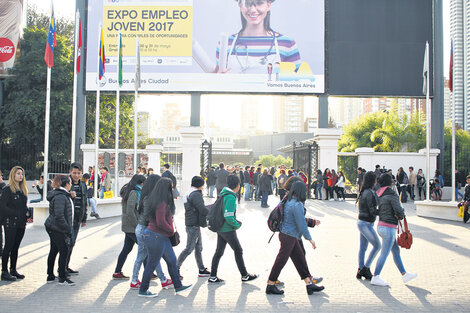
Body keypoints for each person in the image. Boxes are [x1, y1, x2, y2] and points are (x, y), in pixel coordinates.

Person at [266, 181, 324, 295]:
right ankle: (270, 284)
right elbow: (301, 224)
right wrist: (310, 239)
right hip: (289, 236)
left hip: (287, 235)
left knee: (300, 260)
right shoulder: (297, 204)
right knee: (281, 261)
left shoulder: (288, 200)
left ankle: (309, 284)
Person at [215, 0, 301, 74]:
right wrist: (217, 79)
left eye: (259, 3)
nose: (252, 10)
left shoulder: (287, 44)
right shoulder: (225, 44)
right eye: (247, 3)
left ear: (268, 4)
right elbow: (217, 84)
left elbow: (298, 86)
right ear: (240, 5)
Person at [138, 178, 192, 297]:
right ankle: (143, 290)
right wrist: (171, 230)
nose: (173, 189)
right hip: (156, 236)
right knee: (152, 264)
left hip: (160, 236)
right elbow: (161, 221)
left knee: (172, 261)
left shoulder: (158, 200)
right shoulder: (161, 203)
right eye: (171, 187)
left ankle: (178, 286)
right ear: (166, 189)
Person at [209, 175, 258, 283]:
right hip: (227, 229)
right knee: (238, 251)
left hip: (220, 228)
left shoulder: (223, 194)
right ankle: (244, 275)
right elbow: (228, 216)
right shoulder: (231, 197)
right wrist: (237, 225)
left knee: (219, 252)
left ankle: (213, 276)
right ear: (237, 185)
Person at [371, 174, 417, 287]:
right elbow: (399, 212)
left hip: (381, 226)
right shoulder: (392, 195)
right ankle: (376, 276)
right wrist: (401, 213)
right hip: (389, 228)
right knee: (384, 253)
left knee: (395, 251)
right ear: (390, 183)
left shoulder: (379, 194)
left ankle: (404, 274)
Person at [131, 174, 172, 290]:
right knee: (146, 256)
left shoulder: (145, 196)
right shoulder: (150, 198)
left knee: (151, 256)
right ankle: (135, 280)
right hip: (145, 229)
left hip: (141, 228)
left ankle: (163, 279)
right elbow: (152, 216)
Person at [113, 174, 146, 279]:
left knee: (126, 249)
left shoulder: (132, 191)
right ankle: (149, 273)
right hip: (132, 227)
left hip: (130, 226)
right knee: (144, 248)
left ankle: (117, 271)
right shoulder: (134, 193)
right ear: (141, 183)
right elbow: (130, 211)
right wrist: (137, 226)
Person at [177, 176, 210, 277]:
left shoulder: (189, 192)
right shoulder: (195, 194)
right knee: (189, 248)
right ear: (200, 185)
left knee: (198, 248)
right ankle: (175, 268)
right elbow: (202, 209)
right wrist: (211, 209)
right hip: (193, 225)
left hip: (193, 223)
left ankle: (201, 269)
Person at [44, 175, 75, 286]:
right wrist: (67, 228)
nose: (71, 184)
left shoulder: (63, 195)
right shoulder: (61, 197)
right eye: (70, 182)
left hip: (55, 227)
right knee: (64, 250)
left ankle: (50, 276)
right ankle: (62, 277)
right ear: (66, 184)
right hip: (57, 228)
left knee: (54, 250)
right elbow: (59, 215)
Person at [0, 166, 29, 281]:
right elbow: (2, 206)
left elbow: (23, 206)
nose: (20, 176)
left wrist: (27, 213)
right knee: (8, 246)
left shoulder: (23, 190)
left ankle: (13, 269)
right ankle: (4, 271)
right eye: (18, 174)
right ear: (13, 175)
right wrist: (16, 213)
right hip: (10, 223)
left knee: (16, 247)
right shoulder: (8, 190)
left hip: (21, 223)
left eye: (22, 174)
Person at [356, 172, 381, 281]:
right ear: (373, 181)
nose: (376, 182)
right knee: (377, 245)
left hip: (362, 222)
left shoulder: (363, 191)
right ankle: (366, 267)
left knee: (363, 248)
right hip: (366, 223)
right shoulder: (370, 193)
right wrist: (382, 212)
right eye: (375, 180)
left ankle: (360, 269)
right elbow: (372, 211)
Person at [66, 163, 88, 276]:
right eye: (74, 173)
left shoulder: (83, 185)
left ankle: (66, 266)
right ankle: (62, 268)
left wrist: (84, 218)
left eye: (78, 173)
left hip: (77, 219)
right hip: (67, 220)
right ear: (70, 172)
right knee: (67, 244)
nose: (76, 175)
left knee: (72, 243)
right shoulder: (65, 183)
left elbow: (85, 201)